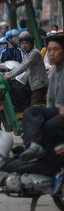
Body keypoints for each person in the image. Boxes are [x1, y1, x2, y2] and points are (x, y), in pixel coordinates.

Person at [18, 32, 64, 167]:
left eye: (56, 50)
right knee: (29, 113)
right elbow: (50, 103)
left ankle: (51, 168)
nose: (51, 53)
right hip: (55, 112)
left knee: (45, 128)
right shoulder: (55, 74)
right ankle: (34, 147)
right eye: (49, 50)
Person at [5, 31, 48, 106]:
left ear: (31, 43)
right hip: (34, 85)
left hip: (39, 85)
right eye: (22, 43)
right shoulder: (28, 53)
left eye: (26, 43)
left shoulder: (35, 53)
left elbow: (24, 66)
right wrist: (9, 74)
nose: (24, 46)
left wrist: (10, 76)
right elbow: (21, 64)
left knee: (33, 109)